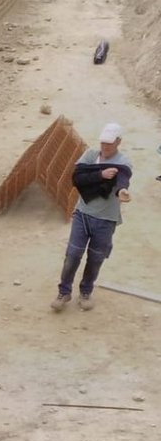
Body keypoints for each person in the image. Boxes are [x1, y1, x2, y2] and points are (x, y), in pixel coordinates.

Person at [51, 123, 132, 312]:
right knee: (72, 255)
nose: (105, 147)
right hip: (83, 215)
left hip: (106, 220)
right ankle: (64, 292)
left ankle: (86, 291)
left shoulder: (123, 162)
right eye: (103, 142)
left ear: (119, 141)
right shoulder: (89, 156)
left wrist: (122, 191)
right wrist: (100, 174)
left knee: (95, 259)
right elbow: (77, 178)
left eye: (110, 144)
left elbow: (123, 178)